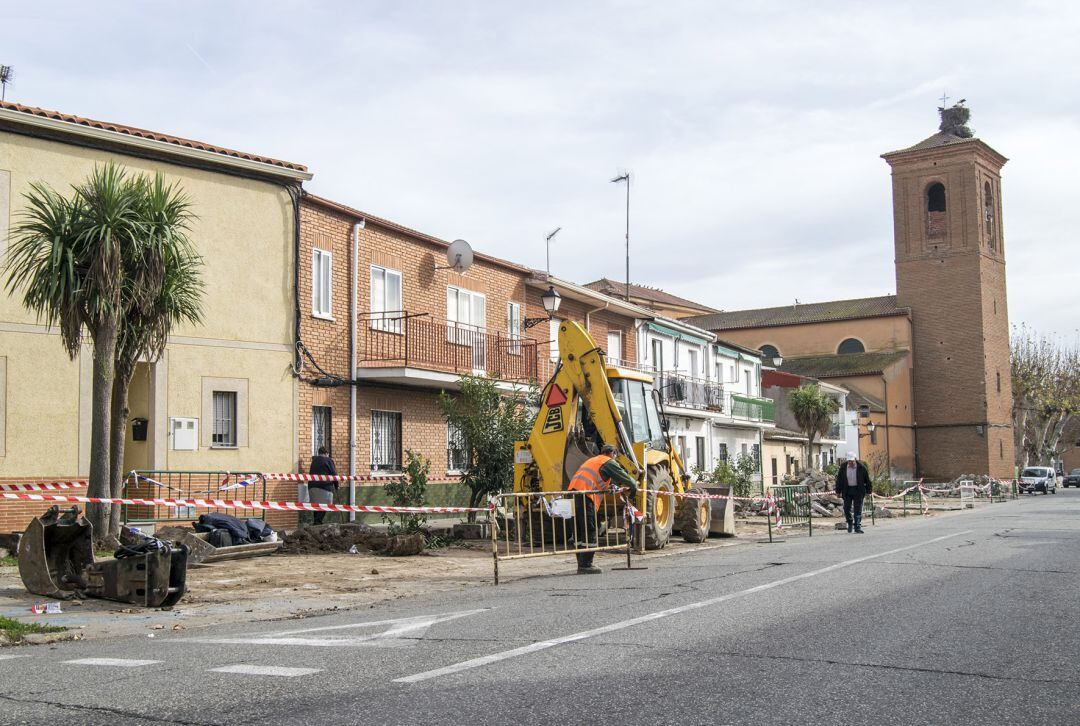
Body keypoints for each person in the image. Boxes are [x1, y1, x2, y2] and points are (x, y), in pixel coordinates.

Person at [567, 444, 638, 574]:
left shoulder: (593, 460)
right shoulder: (608, 462)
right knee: (590, 530)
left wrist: (610, 486)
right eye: (615, 456)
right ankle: (586, 565)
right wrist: (633, 490)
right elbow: (629, 481)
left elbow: (598, 479)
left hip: (572, 495)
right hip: (585, 496)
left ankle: (581, 564)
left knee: (578, 532)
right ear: (612, 454)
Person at [834, 452, 872, 534]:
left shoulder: (861, 467)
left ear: (855, 459)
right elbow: (839, 480)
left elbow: (867, 480)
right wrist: (838, 491)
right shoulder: (843, 467)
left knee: (857, 509)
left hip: (858, 490)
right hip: (847, 490)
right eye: (849, 461)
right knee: (846, 508)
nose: (850, 463)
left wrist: (869, 491)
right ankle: (850, 522)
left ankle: (857, 527)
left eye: (852, 461)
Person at [308, 446, 338, 525]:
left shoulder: (314, 461)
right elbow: (334, 474)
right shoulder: (328, 460)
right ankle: (318, 523)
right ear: (326, 453)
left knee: (316, 506)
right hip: (324, 487)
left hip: (312, 486)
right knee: (325, 506)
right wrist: (336, 486)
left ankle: (316, 522)